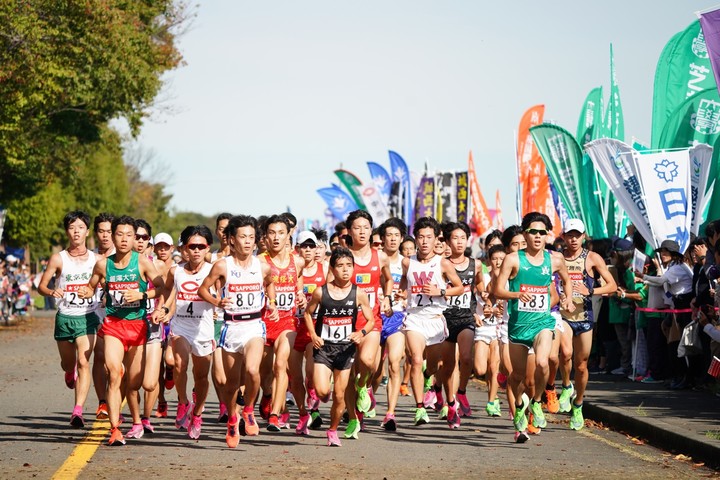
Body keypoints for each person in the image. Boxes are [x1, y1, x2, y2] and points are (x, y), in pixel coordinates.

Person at [78, 215, 166, 446]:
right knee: (114, 373)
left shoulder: (143, 262)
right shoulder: (103, 264)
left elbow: (161, 287)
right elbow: (91, 285)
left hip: (137, 327)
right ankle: (115, 429)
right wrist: (85, 292)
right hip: (113, 326)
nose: (125, 239)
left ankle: (129, 411)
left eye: (130, 235)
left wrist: (141, 295)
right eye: (120, 234)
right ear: (112, 236)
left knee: (134, 383)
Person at [198, 215, 278, 448]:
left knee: (253, 370)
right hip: (231, 327)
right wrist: (217, 301)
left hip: (254, 325)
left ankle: (249, 410)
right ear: (232, 239)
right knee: (230, 385)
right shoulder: (223, 265)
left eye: (251, 237)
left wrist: (271, 303)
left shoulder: (261, 265)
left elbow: (270, 283)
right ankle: (233, 418)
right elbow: (203, 290)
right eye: (242, 237)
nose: (247, 242)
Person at [493, 212, 574, 443]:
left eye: (542, 232)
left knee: (543, 361)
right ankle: (519, 406)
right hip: (518, 326)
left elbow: (567, 281)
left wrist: (567, 299)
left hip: (543, 322)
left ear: (547, 235)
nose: (538, 236)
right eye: (533, 232)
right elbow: (497, 291)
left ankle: (536, 402)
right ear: (525, 233)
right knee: (517, 376)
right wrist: (516, 294)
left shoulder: (555, 259)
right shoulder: (513, 259)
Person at [304, 247, 375, 447]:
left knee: (340, 394)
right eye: (340, 266)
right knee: (322, 391)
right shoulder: (321, 292)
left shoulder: (358, 293)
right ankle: (321, 397)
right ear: (332, 269)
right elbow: (308, 313)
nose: (345, 270)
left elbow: (371, 320)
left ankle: (333, 430)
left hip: (345, 350)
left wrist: (360, 333)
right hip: (324, 349)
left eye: (349, 266)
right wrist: (313, 334)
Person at [38, 210, 100, 428]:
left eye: (81, 227)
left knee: (84, 361)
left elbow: (107, 283)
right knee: (69, 363)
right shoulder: (59, 258)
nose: (76, 232)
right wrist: (51, 291)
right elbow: (41, 286)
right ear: (67, 231)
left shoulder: (97, 259)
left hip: (88, 318)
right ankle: (68, 371)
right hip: (65, 318)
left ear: (87, 231)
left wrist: (98, 293)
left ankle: (78, 410)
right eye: (72, 227)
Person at [401, 216, 465, 426]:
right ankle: (420, 408)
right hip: (415, 319)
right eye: (421, 237)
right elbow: (404, 281)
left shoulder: (443, 263)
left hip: (436, 319)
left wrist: (441, 291)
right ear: (416, 239)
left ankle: (438, 387)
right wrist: (400, 294)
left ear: (435, 238)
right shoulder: (408, 262)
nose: (425, 242)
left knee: (437, 365)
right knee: (416, 360)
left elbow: (459, 287)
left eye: (429, 237)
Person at [557, 219, 616, 431]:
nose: (573, 239)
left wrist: (589, 291)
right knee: (565, 353)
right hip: (562, 314)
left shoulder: (592, 258)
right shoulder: (557, 258)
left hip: (585, 316)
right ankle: (565, 385)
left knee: (581, 364)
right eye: (569, 235)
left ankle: (579, 403)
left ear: (584, 236)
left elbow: (612, 285)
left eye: (577, 235)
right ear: (563, 236)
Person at [339, 210, 393, 438]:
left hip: (371, 321)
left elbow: (388, 279)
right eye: (357, 227)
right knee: (347, 374)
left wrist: (387, 296)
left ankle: (364, 387)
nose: (362, 231)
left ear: (372, 230)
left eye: (366, 227)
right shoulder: (342, 256)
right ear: (349, 231)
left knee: (368, 361)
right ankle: (353, 418)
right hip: (343, 322)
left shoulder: (379, 257)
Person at [165, 225, 215, 439]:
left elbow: (223, 294)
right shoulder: (175, 271)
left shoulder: (214, 271)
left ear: (207, 248)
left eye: (200, 246)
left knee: (201, 376)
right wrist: (164, 309)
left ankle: (197, 413)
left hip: (204, 329)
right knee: (179, 363)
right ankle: (183, 401)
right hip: (181, 327)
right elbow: (168, 294)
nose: (196, 250)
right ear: (185, 248)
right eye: (191, 246)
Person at [258, 214, 306, 431]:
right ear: (265, 236)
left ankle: (276, 415)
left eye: (281, 233)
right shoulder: (259, 262)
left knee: (281, 364)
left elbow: (299, 280)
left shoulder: (298, 261)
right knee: (264, 373)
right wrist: (269, 302)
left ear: (289, 235)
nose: (276, 238)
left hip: (288, 322)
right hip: (264, 322)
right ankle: (267, 395)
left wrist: (300, 294)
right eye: (271, 233)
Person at [434, 221, 484, 427]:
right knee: (447, 367)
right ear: (447, 241)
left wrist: (486, 298)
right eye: (455, 238)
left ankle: (461, 390)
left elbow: (479, 284)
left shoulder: (476, 264)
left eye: (463, 237)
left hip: (466, 317)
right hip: (445, 319)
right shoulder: (440, 264)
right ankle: (451, 402)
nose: (459, 242)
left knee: (465, 357)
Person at [290, 229, 326, 434]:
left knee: (311, 373)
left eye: (312, 246)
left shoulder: (325, 269)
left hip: (315, 328)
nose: (308, 250)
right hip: (294, 326)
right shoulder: (290, 269)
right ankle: (303, 413)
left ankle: (313, 407)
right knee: (294, 377)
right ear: (297, 248)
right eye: (304, 246)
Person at [375, 217, 408, 431]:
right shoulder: (375, 260)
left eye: (397, 235)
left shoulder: (407, 263)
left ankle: (390, 413)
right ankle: (365, 391)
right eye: (389, 235)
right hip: (375, 318)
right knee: (373, 369)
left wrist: (403, 295)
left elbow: (414, 288)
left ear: (402, 238)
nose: (393, 239)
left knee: (395, 364)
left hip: (397, 317)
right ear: (383, 239)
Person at [90, 212, 115, 420]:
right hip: (95, 312)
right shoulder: (90, 258)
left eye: (109, 231)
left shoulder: (124, 257)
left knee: (113, 363)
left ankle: (115, 398)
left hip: (119, 314)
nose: (105, 236)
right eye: (101, 231)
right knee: (99, 356)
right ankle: (103, 402)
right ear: (96, 233)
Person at [475, 244, 505, 417]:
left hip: (499, 327)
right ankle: (494, 383)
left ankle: (492, 401)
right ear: (488, 261)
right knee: (480, 369)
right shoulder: (483, 278)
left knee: (494, 366)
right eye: (495, 259)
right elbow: (469, 297)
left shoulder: (509, 280)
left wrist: (498, 310)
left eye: (502, 259)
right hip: (483, 327)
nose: (498, 262)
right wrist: (474, 314)